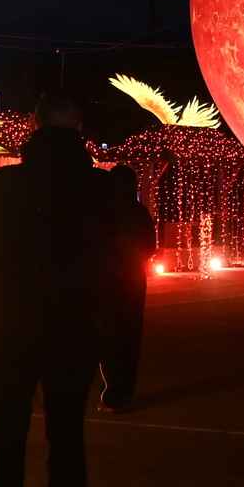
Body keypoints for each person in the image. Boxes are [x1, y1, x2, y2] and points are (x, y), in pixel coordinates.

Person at [0, 91, 148, 487]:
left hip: (7, 331)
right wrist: (110, 330)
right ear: (79, 126)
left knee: (5, 437)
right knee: (67, 437)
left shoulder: (2, 186)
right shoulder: (101, 189)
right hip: (75, 328)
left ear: (36, 126)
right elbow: (121, 264)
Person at [97, 164, 154, 411]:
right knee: (129, 337)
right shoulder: (139, 212)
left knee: (109, 337)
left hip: (109, 282)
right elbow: (150, 246)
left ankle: (114, 392)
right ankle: (124, 390)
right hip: (133, 279)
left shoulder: (105, 213)